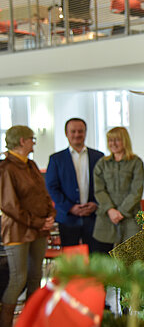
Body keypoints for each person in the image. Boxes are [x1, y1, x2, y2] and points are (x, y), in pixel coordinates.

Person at [0, 126, 56, 327]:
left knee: (35, 277)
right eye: (32, 139)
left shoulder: (30, 164)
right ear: (22, 141)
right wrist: (38, 221)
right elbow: (9, 206)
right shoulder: (5, 167)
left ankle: (32, 321)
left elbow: (43, 194)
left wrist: (50, 215)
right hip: (17, 230)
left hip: (39, 229)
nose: (34, 142)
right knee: (18, 279)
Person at [45, 118, 106, 253]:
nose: (77, 134)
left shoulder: (99, 156)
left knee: (97, 258)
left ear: (85, 133)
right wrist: (71, 207)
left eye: (80, 131)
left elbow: (106, 185)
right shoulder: (56, 159)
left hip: (94, 217)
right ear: (66, 134)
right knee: (72, 262)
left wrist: (96, 203)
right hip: (68, 219)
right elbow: (52, 188)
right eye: (73, 131)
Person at [93, 127, 144, 251]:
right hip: (106, 217)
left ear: (125, 141)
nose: (113, 144)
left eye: (117, 140)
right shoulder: (102, 163)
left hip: (130, 217)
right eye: (110, 140)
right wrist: (111, 210)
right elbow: (99, 190)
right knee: (103, 261)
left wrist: (121, 212)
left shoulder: (136, 162)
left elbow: (136, 191)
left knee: (132, 260)